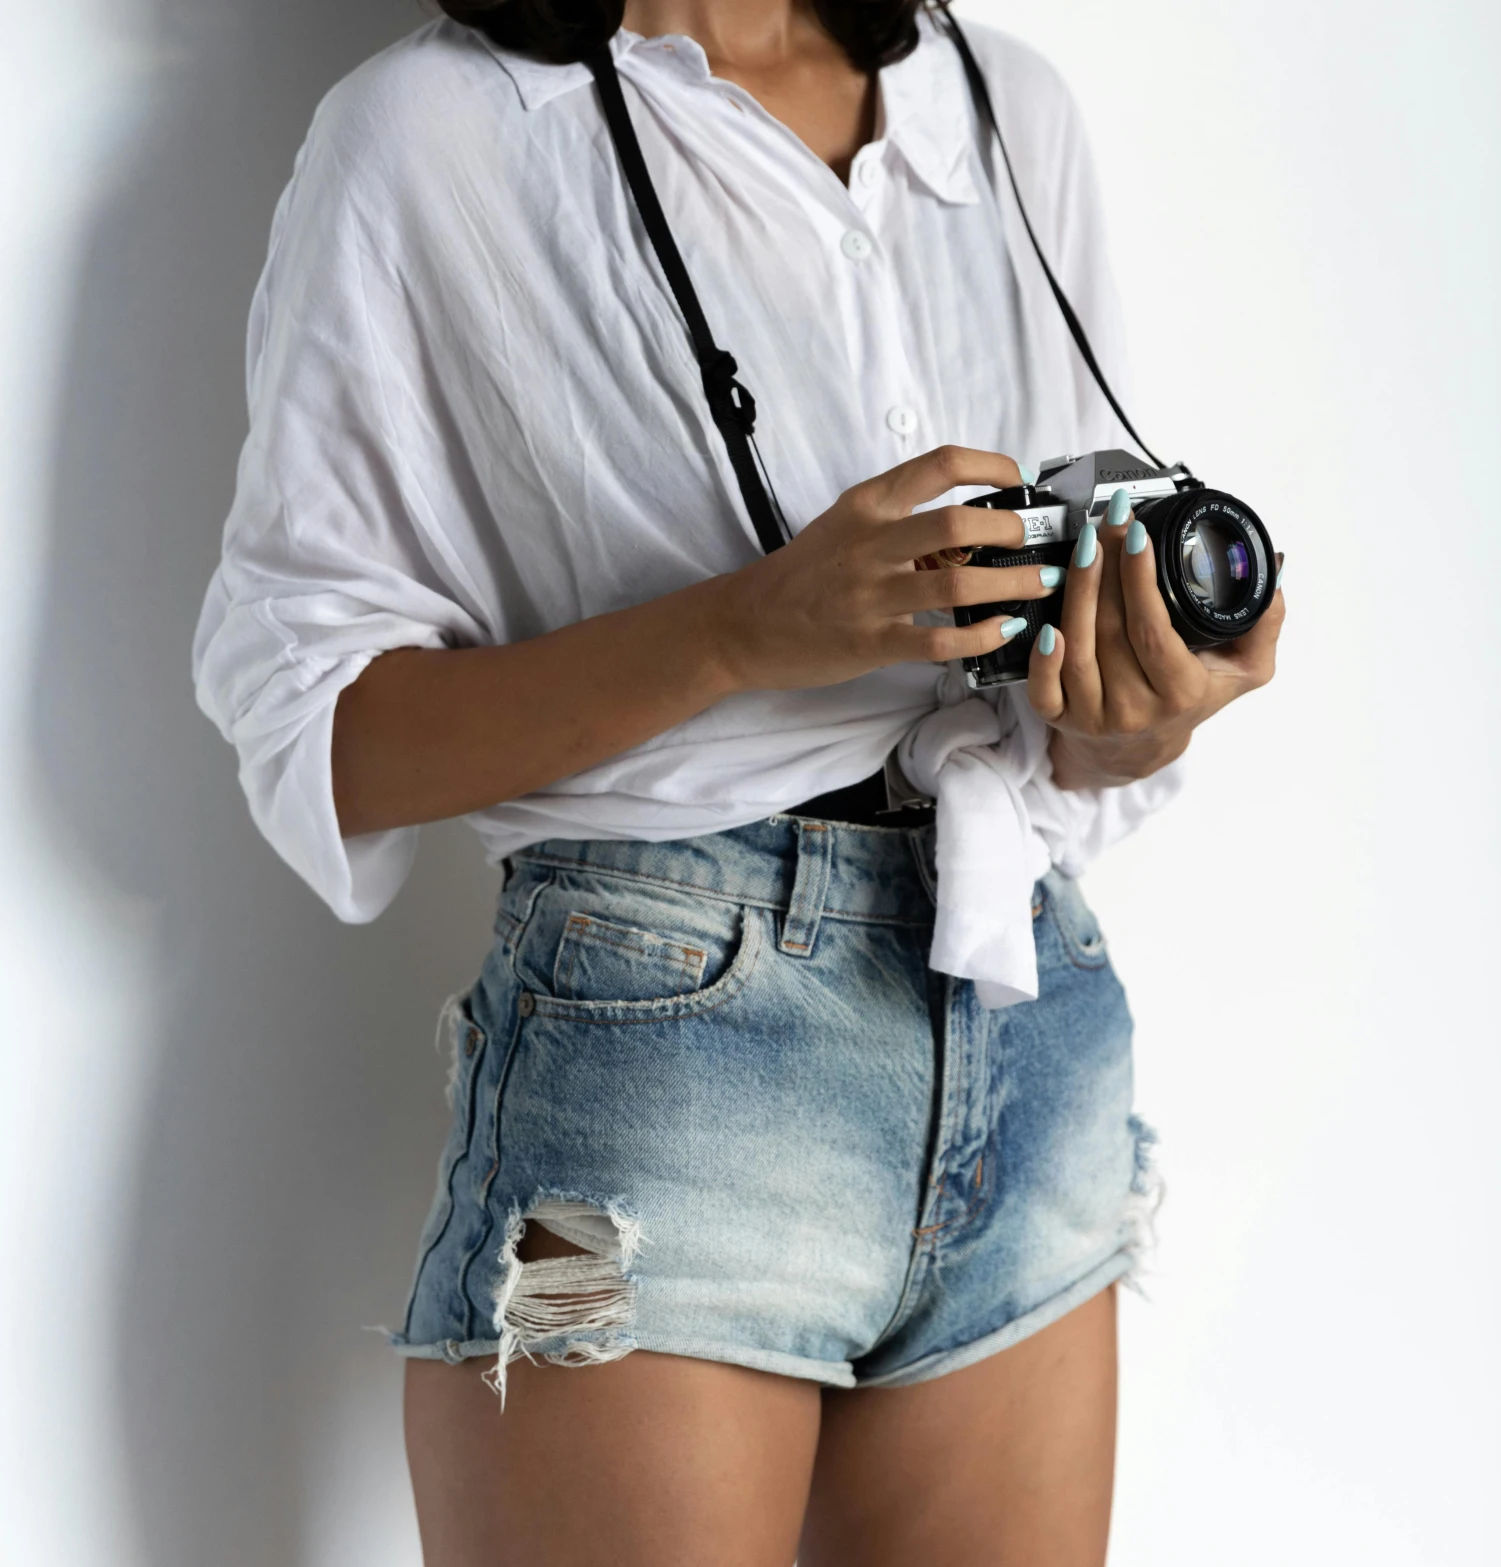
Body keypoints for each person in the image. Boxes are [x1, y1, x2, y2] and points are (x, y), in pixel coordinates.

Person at [192, 0, 1285, 1560]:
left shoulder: (997, 107)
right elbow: (322, 728)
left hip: (1027, 1016)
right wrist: (740, 629)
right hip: (660, 1068)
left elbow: (1072, 739)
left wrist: (1142, 709)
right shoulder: (437, 132)